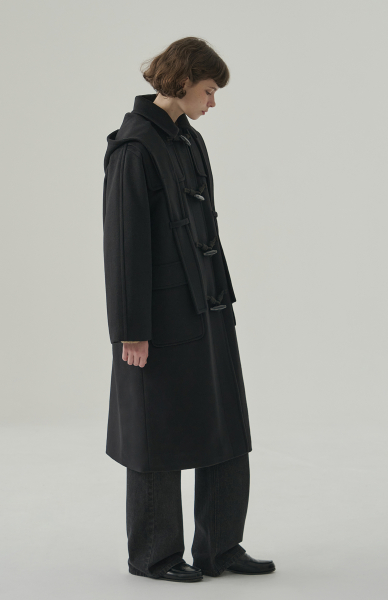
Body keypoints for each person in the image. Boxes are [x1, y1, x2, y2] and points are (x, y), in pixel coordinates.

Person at [102, 37, 275, 583]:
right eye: (209, 90)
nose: (213, 102)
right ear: (182, 82)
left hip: (208, 308)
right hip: (158, 321)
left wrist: (219, 298)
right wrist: (131, 329)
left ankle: (220, 547)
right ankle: (155, 556)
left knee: (225, 426)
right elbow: (124, 245)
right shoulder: (134, 149)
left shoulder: (188, 139)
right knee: (156, 434)